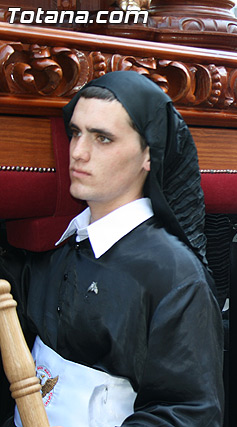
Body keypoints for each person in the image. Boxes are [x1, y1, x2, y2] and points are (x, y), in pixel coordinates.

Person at [0, 71, 224, 426]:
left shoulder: (174, 274)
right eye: (75, 133)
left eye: (102, 138)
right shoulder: (55, 248)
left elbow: (187, 412)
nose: (78, 152)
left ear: (149, 154)